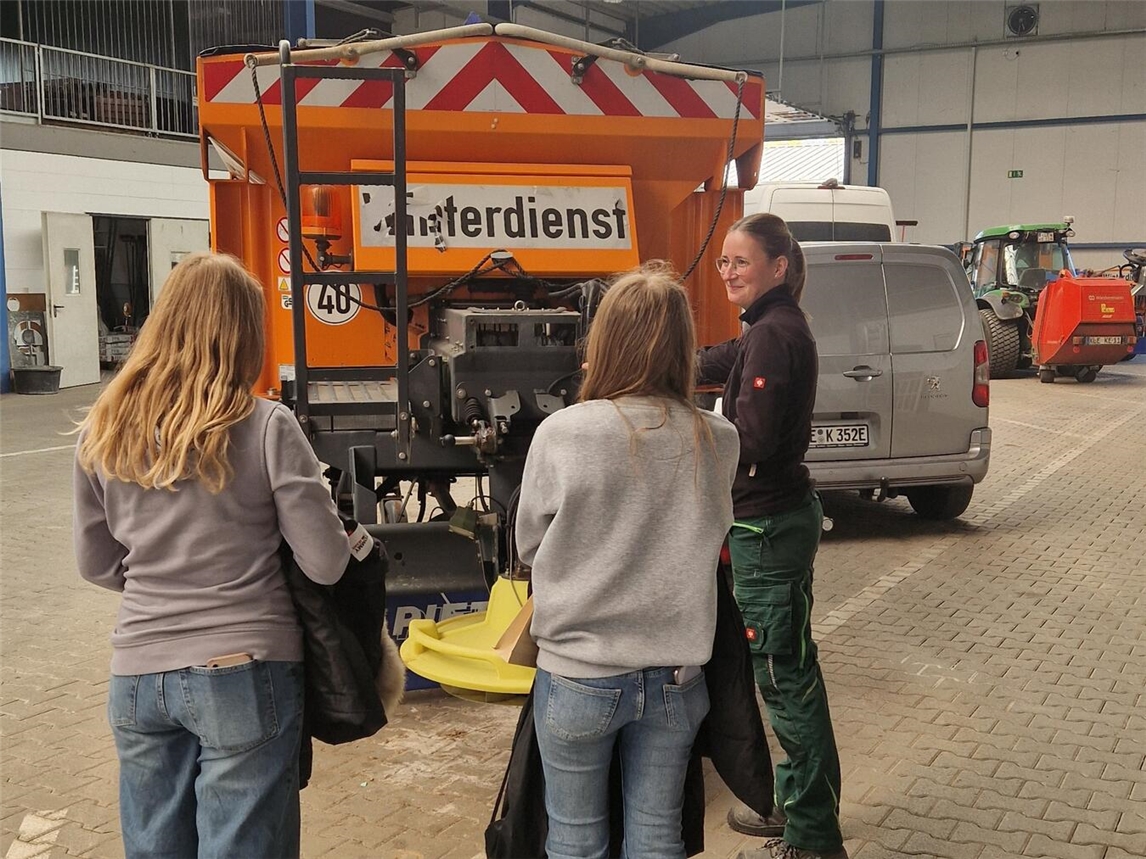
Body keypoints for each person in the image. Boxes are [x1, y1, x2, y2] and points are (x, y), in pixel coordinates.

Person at [73, 252, 350, 859]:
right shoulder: (269, 426)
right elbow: (327, 563)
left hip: (139, 675)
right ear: (244, 334)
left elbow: (95, 563)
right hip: (244, 670)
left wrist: (165, 583)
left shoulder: (105, 428)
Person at [515, 263, 740, 859]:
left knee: (574, 838)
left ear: (604, 341)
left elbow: (529, 547)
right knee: (658, 834)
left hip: (578, 674)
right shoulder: (718, 437)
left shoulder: (563, 433)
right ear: (684, 347)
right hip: (677, 677)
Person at [698, 214, 847, 859]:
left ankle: (812, 836)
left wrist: (694, 432)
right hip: (782, 517)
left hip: (763, 525)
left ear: (778, 267)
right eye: (724, 261)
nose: (727, 271)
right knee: (797, 668)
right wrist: (659, 356)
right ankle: (802, 799)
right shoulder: (769, 328)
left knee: (784, 680)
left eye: (741, 262)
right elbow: (718, 359)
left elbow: (751, 440)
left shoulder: (775, 334)